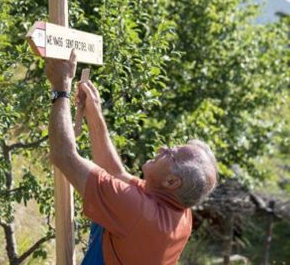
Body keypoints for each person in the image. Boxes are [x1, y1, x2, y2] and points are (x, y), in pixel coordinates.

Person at [45, 50, 218, 265]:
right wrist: (94, 113)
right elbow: (117, 173)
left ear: (172, 181)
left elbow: (63, 155)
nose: (162, 148)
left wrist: (60, 88)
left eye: (170, 155)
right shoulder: (179, 211)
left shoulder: (138, 212)